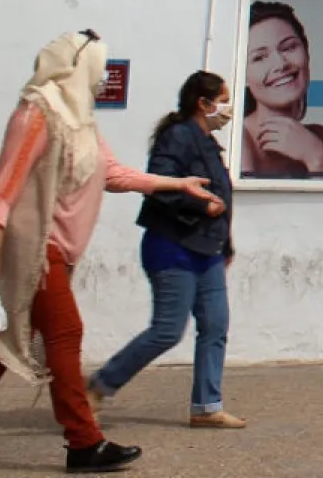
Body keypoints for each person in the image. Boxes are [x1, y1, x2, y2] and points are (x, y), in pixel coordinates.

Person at [0, 31, 221, 472]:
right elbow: (6, 184)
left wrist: (180, 185)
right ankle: (83, 441)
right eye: (96, 67)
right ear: (78, 66)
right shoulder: (38, 112)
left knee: (7, 344)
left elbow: (113, 174)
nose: (100, 78)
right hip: (36, 248)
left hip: (58, 250)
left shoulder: (80, 121)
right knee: (65, 334)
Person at [88, 71, 243, 429]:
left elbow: (223, 197)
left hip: (209, 250)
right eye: (222, 99)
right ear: (202, 104)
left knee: (215, 324)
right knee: (167, 330)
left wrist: (226, 244)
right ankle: (99, 386)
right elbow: (161, 184)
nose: (227, 108)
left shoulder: (209, 143)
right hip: (173, 246)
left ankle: (206, 406)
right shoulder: (178, 137)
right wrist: (200, 208)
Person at [241, 1, 323, 179]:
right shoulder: (238, 140)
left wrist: (317, 157)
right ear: (242, 74)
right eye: (259, 57)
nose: (281, 64)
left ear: (307, 52)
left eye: (289, 47)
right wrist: (317, 160)